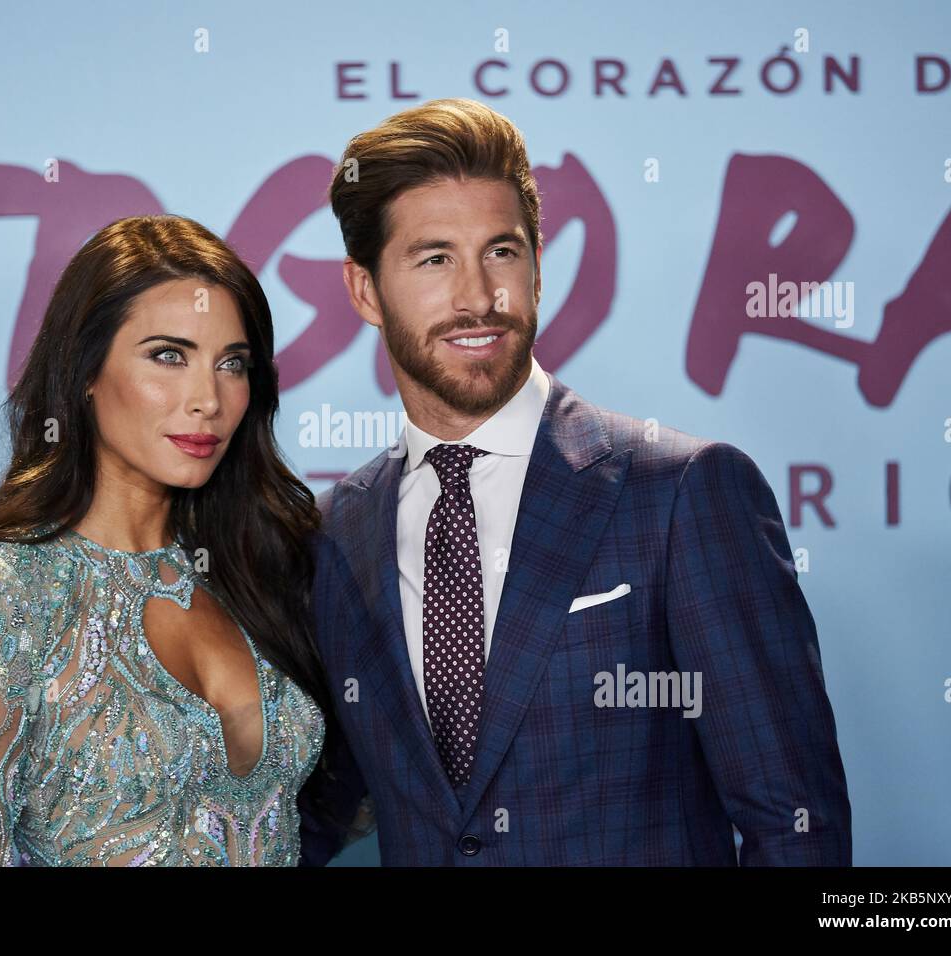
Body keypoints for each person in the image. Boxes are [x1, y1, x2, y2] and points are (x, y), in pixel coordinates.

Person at [297, 98, 852, 866]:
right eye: (434, 260)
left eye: (503, 252)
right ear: (364, 291)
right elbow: (321, 801)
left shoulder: (683, 490)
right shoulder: (335, 532)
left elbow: (795, 825)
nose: (478, 296)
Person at [0, 214, 332, 866]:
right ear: (86, 371)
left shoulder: (262, 569)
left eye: (232, 364)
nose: (207, 399)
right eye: (169, 355)